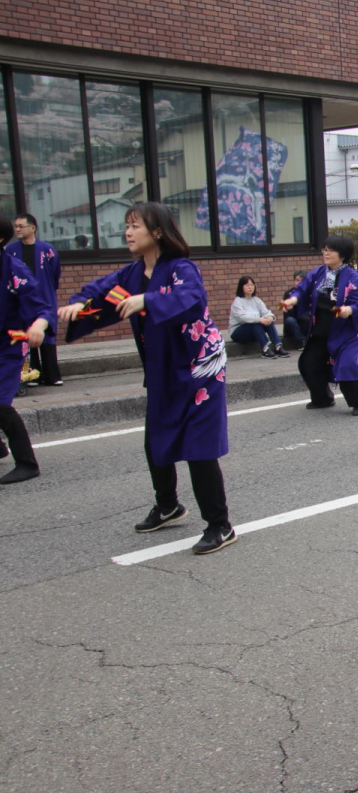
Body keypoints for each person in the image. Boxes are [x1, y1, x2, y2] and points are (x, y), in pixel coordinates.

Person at [59, 202, 235, 553]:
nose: (127, 232)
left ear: (157, 231)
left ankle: (220, 525)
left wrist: (147, 300)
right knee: (156, 439)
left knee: (198, 449)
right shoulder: (131, 273)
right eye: (126, 226)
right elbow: (98, 291)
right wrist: (79, 305)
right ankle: (169, 505)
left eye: (134, 225)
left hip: (200, 368)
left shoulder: (181, 268)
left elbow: (190, 298)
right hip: (163, 369)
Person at [282, 235, 358, 416]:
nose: (326, 253)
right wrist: (292, 300)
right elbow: (302, 289)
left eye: (331, 250)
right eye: (325, 249)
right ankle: (322, 399)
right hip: (321, 328)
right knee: (309, 362)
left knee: (346, 364)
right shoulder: (318, 273)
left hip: (346, 331)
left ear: (343, 255)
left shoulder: (354, 278)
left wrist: (348, 310)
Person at [0, 213, 52, 484]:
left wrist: (39, 326)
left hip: (7, 347)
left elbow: (42, 306)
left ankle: (27, 462)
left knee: (0, 404)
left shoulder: (13, 268)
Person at [5, 214, 62, 386]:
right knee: (25, 337)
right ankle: (31, 374)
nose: (17, 230)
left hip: (44, 296)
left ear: (33, 228)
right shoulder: (11, 250)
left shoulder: (47, 249)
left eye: (21, 226)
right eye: (15, 226)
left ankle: (52, 375)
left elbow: (55, 272)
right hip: (21, 299)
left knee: (47, 335)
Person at [229, 276, 288, 359]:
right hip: (238, 332)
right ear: (241, 286)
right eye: (247, 285)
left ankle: (277, 347)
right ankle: (265, 350)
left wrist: (270, 317)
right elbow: (242, 317)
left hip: (253, 332)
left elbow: (266, 312)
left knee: (268, 322)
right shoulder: (238, 301)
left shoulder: (256, 300)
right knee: (256, 324)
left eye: (252, 285)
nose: (250, 287)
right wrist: (259, 319)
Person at [282, 270, 311, 348]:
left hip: (306, 322)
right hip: (294, 323)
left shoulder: (309, 294)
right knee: (290, 320)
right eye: (297, 280)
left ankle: (309, 340)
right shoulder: (288, 293)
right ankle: (302, 341)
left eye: (302, 281)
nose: (299, 283)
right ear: (294, 281)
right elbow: (282, 309)